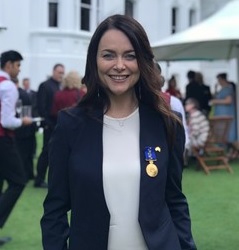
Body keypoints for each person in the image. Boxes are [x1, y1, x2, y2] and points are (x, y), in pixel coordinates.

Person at [41, 14, 197, 250]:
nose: (119, 65)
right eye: (108, 55)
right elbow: (55, 210)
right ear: (94, 61)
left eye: (130, 56)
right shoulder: (70, 125)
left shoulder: (166, 123)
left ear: (142, 61)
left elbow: (175, 200)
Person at [0, 50, 32, 246]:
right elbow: (7, 121)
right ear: (10, 65)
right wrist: (24, 121)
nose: (19, 70)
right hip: (3, 140)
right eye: (18, 65)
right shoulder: (9, 87)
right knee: (18, 181)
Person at [34, 63, 65, 188]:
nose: (61, 75)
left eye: (62, 73)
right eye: (59, 72)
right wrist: (47, 123)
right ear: (53, 71)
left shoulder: (60, 86)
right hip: (49, 125)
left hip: (57, 124)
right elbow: (41, 106)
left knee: (53, 154)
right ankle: (39, 179)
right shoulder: (45, 85)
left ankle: (48, 179)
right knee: (46, 153)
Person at [210, 73, 238, 160]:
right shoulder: (222, 89)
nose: (218, 82)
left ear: (222, 79)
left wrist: (215, 101)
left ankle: (233, 152)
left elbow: (228, 100)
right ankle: (230, 154)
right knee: (225, 137)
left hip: (227, 115)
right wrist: (215, 89)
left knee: (230, 136)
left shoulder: (228, 88)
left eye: (219, 80)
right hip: (222, 116)